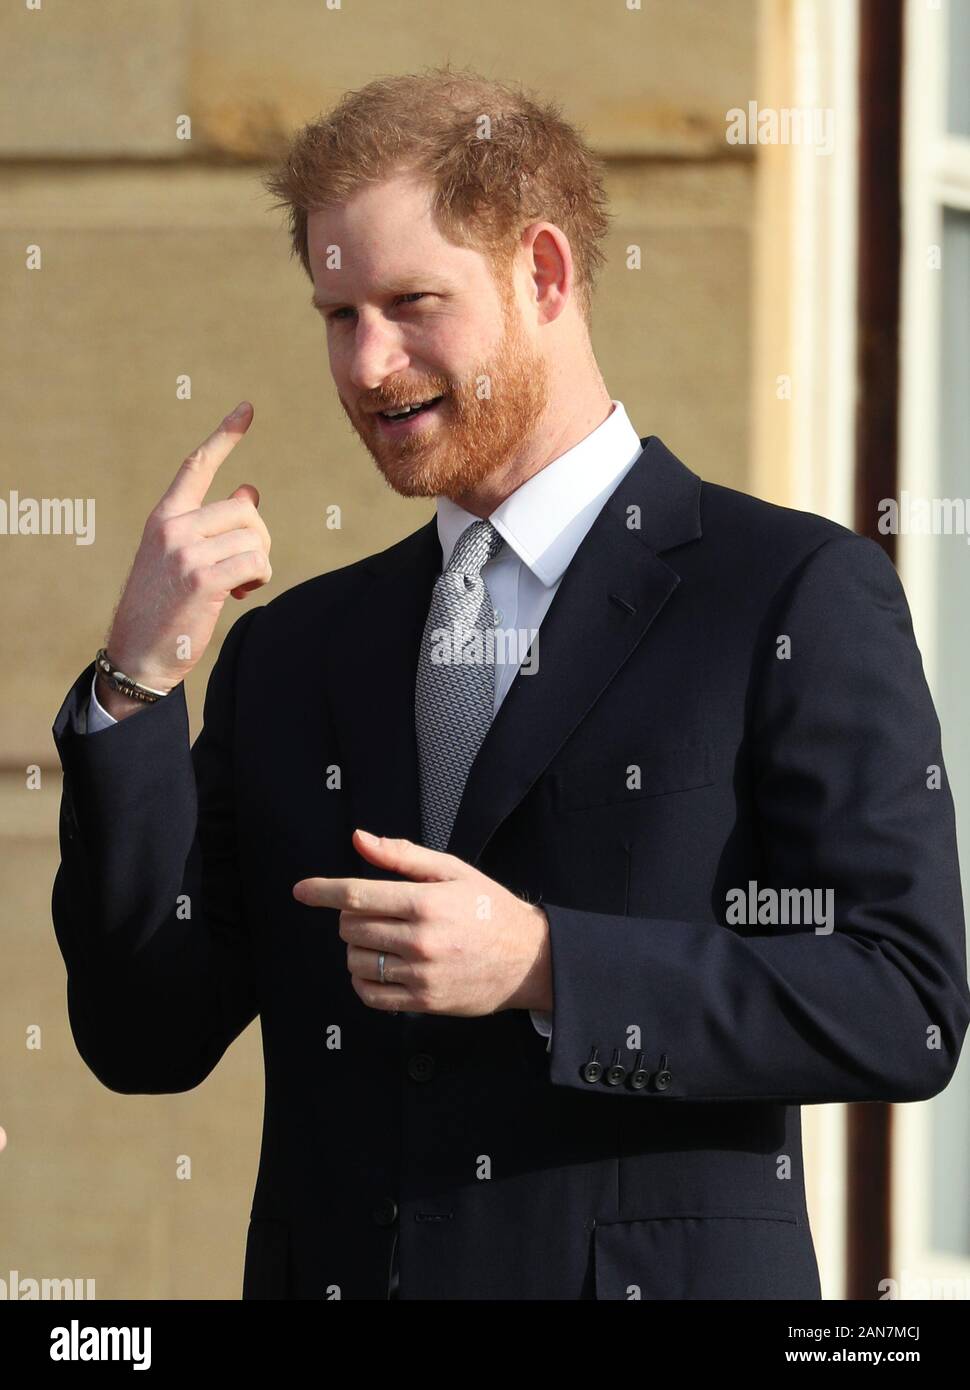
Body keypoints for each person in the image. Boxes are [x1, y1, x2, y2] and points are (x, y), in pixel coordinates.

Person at [51, 68, 970, 1300]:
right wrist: (134, 687)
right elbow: (143, 1037)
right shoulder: (293, 650)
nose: (369, 365)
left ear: (543, 274)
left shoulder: (788, 593)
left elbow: (902, 1000)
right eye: (338, 314)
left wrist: (547, 964)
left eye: (410, 302)